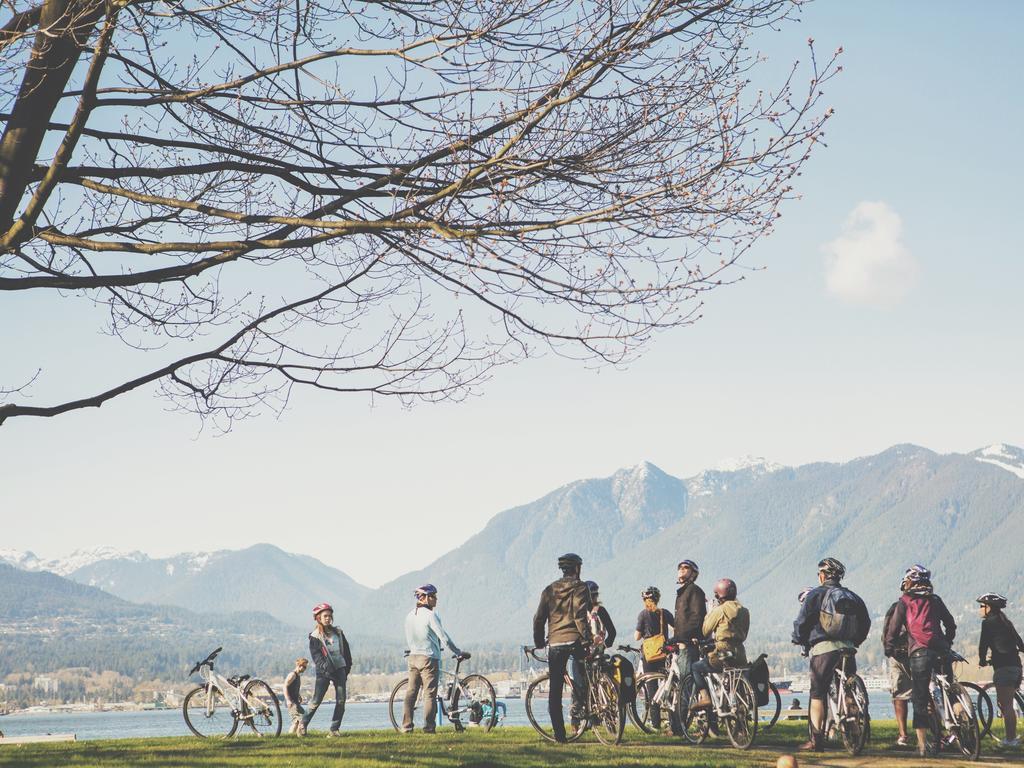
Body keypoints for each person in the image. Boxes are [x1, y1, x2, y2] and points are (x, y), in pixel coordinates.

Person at [792, 557, 870, 752]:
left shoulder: (816, 595)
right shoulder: (852, 596)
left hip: (823, 649)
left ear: (822, 576)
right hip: (848, 649)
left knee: (817, 693)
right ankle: (854, 733)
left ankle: (816, 739)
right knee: (849, 687)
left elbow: (802, 622)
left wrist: (799, 639)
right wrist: (855, 642)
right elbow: (866, 622)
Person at [883, 564, 956, 758]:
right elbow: (950, 624)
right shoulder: (935, 600)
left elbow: (893, 629)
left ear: (910, 581)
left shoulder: (904, 601)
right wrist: (947, 641)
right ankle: (961, 723)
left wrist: (889, 648)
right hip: (941, 649)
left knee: (920, 699)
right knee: (950, 688)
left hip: (919, 652)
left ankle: (923, 746)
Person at [533, 552, 593, 743]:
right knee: (583, 679)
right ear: (577, 568)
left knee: (556, 690)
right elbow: (579, 615)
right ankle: (586, 711)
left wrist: (539, 642)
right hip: (575, 640)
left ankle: (560, 735)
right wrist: (587, 638)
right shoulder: (581, 587)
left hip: (556, 643)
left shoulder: (549, 590)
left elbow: (538, 619)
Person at [401, 583, 463, 734]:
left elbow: (411, 637)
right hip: (429, 658)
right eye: (433, 596)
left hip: (413, 657)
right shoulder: (430, 615)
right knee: (430, 694)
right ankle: (429, 728)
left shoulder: (409, 615)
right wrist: (457, 651)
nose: (436, 599)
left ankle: (406, 726)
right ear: (425, 598)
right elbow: (443, 637)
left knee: (411, 692)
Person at [690, 578, 749, 710]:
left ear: (719, 594)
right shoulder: (744, 611)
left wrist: (710, 613)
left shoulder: (720, 610)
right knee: (735, 676)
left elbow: (705, 630)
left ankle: (705, 698)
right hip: (740, 653)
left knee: (696, 667)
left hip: (722, 652)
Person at [977, 592, 1024, 748]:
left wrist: (982, 660)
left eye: (982, 606)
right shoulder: (1006, 622)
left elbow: (983, 645)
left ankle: (1011, 740)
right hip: (1016, 666)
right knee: (1006, 703)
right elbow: (1020, 644)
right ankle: (1010, 737)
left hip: (1003, 668)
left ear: (989, 607)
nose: (980, 609)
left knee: (1007, 705)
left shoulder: (988, 623)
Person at [303, 602, 352, 736]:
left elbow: (346, 652)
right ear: (318, 617)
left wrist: (346, 669)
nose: (328, 618)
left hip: (340, 669)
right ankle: (303, 724)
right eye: (325, 616)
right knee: (316, 701)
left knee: (341, 701)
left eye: (330, 616)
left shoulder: (339, 633)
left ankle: (334, 729)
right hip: (323, 673)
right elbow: (317, 657)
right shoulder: (315, 636)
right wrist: (326, 669)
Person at [634, 586, 674, 730]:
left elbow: (637, 636)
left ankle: (655, 723)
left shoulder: (643, 614)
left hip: (649, 655)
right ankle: (673, 721)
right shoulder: (664, 613)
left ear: (644, 600)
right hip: (664, 653)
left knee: (652, 688)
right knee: (668, 686)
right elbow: (676, 628)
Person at [882, 579, 913, 747]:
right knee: (926, 694)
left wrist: (889, 648)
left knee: (900, 695)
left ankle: (903, 734)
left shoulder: (897, 606)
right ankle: (935, 731)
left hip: (899, 655)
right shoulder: (929, 604)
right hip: (921, 652)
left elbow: (889, 631)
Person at [671, 559, 706, 692]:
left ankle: (686, 712)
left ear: (693, 574)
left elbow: (697, 617)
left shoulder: (695, 591)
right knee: (683, 681)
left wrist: (683, 636)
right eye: (680, 567)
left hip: (688, 644)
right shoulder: (682, 592)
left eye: (686, 567)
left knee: (686, 683)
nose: (681, 569)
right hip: (681, 644)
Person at [585, 581, 616, 650]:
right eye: (593, 595)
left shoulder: (600, 610)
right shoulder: (581, 612)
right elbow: (612, 633)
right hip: (585, 652)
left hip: (592, 653)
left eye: (595, 595)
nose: (595, 597)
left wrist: (603, 647)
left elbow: (612, 632)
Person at [284, 657, 309, 735]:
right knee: (298, 719)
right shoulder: (292, 675)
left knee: (302, 717)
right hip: (291, 701)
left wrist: (299, 695)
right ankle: (300, 735)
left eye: (306, 667)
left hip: (295, 701)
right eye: (304, 667)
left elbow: (293, 687)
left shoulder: (297, 676)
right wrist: (288, 700)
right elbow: (285, 686)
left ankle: (292, 736)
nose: (305, 669)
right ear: (299, 665)